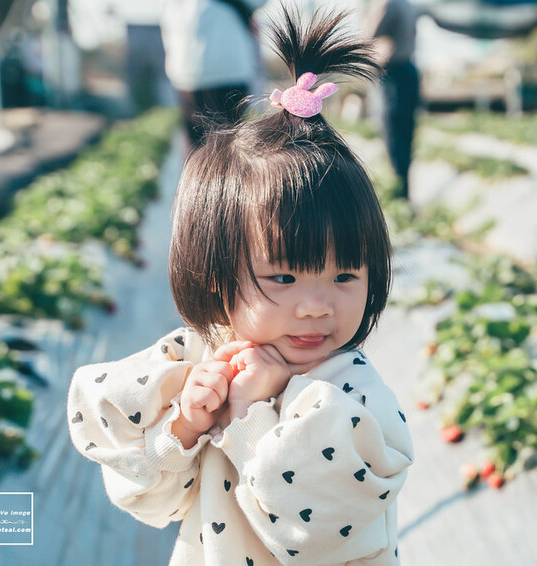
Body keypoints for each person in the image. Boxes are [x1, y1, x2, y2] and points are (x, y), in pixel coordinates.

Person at [67, 7, 413, 565]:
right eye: (283, 276)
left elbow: (323, 533)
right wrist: (184, 426)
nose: (316, 306)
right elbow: (149, 499)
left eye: (346, 275)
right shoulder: (202, 361)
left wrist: (251, 418)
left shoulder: (350, 394)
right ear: (214, 270)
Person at [160, 0, 267, 149]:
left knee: (197, 149)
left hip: (186, 71)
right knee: (229, 146)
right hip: (226, 71)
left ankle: (196, 171)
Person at [366, 0, 420, 200]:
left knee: (394, 135)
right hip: (409, 71)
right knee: (406, 136)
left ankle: (398, 193)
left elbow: (369, 36)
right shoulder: (407, 5)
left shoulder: (388, 4)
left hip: (394, 73)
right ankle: (404, 192)